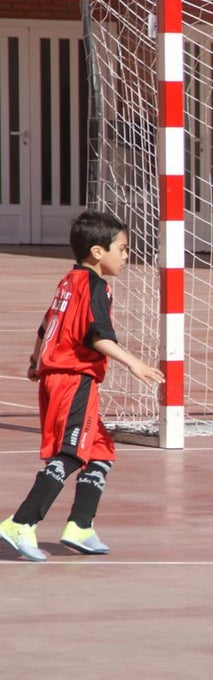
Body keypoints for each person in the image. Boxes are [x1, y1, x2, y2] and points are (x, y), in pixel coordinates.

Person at [1, 211, 165, 562]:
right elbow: (97, 336)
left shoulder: (68, 281)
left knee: (101, 451)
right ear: (96, 252)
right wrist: (134, 363)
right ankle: (21, 522)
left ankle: (80, 526)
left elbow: (47, 325)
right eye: (122, 248)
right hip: (74, 380)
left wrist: (35, 361)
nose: (126, 256)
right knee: (72, 453)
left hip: (56, 376)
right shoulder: (96, 287)